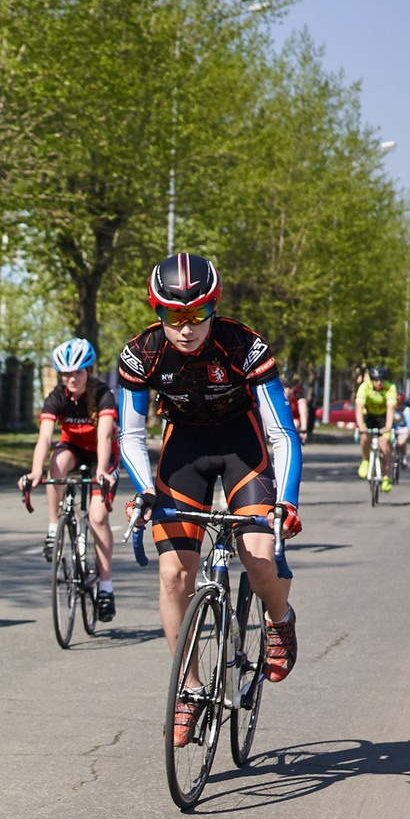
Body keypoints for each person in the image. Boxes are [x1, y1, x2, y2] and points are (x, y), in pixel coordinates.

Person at [114, 253, 302, 746]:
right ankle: (189, 689)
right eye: (174, 316)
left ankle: (279, 619)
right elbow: (130, 436)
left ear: (213, 307)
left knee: (260, 560)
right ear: (159, 313)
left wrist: (287, 500)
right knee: (174, 572)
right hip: (185, 451)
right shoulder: (142, 353)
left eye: (197, 314)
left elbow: (282, 433)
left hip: (243, 446)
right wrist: (147, 491)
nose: (187, 327)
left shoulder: (243, 345)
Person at [16, 336, 118, 623]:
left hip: (103, 454)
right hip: (73, 449)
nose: (71, 378)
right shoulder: (57, 397)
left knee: (97, 518)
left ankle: (106, 587)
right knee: (56, 464)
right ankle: (53, 526)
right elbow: (45, 437)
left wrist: (101, 471)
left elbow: (105, 435)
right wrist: (35, 472)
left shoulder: (103, 395)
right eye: (66, 374)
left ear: (88, 371)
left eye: (77, 372)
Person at [352, 365, 399, 492]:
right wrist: (361, 425)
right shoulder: (364, 387)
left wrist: (388, 426)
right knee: (365, 436)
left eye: (382, 380)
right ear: (372, 380)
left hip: (384, 417)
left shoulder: (390, 388)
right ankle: (365, 460)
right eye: (376, 380)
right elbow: (359, 407)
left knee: (384, 444)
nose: (379, 382)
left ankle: (386, 477)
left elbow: (391, 409)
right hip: (370, 416)